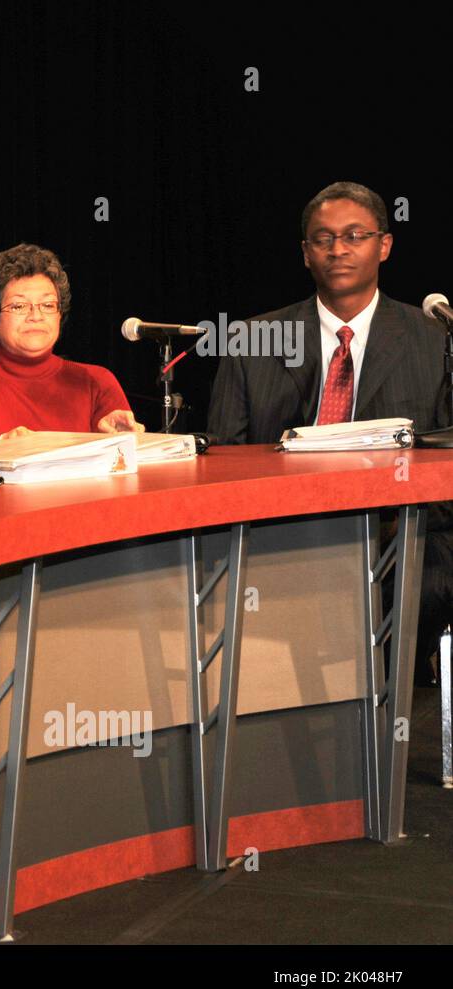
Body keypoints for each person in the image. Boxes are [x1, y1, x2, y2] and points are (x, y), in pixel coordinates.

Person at [208, 180, 452, 661]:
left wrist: (388, 518)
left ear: (384, 245)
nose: (338, 249)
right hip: (282, 537)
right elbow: (220, 467)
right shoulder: (252, 340)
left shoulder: (433, 341)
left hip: (401, 538)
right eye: (323, 239)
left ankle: (382, 718)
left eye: (355, 236)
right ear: (305, 253)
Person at [0, 244, 141, 454]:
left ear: (59, 315)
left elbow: (127, 475)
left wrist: (120, 443)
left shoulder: (97, 382)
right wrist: (0, 449)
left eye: (47, 305)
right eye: (19, 306)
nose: (36, 316)